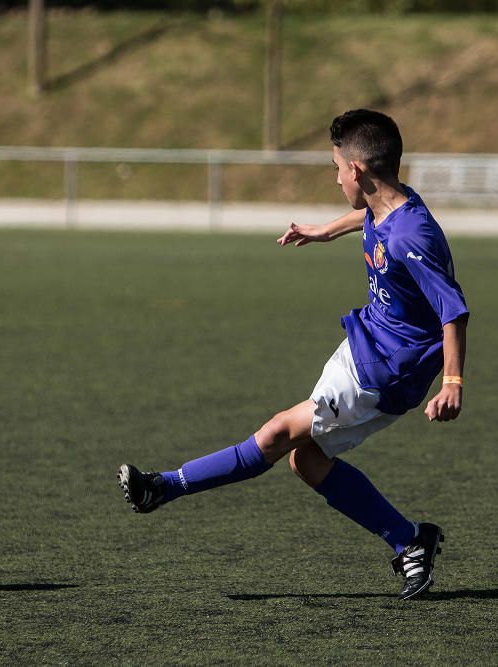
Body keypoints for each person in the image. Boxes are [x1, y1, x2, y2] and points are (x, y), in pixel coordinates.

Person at [118, 109, 469, 601]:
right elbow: (370, 215)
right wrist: (326, 230)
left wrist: (452, 383)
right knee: (307, 462)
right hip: (367, 342)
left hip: (384, 371)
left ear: (358, 171)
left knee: (277, 433)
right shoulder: (395, 202)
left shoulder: (413, 236)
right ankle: (410, 539)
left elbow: (453, 310)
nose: (335, 176)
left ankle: (164, 487)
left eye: (336, 167)